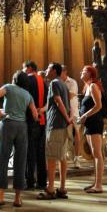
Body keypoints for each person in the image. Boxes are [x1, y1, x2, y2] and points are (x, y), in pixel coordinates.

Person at [0, 70, 38, 208]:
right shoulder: (28, 95)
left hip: (8, 124)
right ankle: (17, 198)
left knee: (3, 158)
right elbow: (35, 115)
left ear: (14, 79)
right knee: (21, 161)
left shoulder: (9, 87)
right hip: (22, 128)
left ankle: (0, 196)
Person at [38, 62, 73, 201]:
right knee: (62, 157)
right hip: (63, 125)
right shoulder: (63, 84)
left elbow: (58, 101)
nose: (46, 70)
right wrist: (68, 119)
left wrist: (67, 118)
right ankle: (62, 187)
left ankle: (51, 188)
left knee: (51, 157)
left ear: (54, 71)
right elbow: (59, 102)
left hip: (56, 124)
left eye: (48, 68)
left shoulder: (53, 83)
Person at [79, 64, 105, 193]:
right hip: (89, 123)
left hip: (95, 122)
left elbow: (98, 105)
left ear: (90, 74)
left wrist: (84, 115)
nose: (81, 72)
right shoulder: (87, 87)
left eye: (84, 71)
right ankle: (95, 183)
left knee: (97, 154)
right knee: (94, 154)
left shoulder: (94, 86)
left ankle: (99, 185)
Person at [23, 60, 47, 191]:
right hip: (42, 119)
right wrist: (41, 110)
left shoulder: (27, 79)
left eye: (24, 68)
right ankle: (42, 181)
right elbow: (47, 102)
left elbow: (25, 100)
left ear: (29, 68)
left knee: (29, 151)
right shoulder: (43, 81)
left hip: (30, 120)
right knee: (41, 152)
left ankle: (30, 181)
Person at [62, 66, 82, 162]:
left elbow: (71, 95)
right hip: (62, 113)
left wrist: (59, 94)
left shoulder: (72, 82)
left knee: (76, 134)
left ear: (65, 72)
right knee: (64, 135)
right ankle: (64, 158)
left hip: (73, 112)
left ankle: (77, 158)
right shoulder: (57, 82)